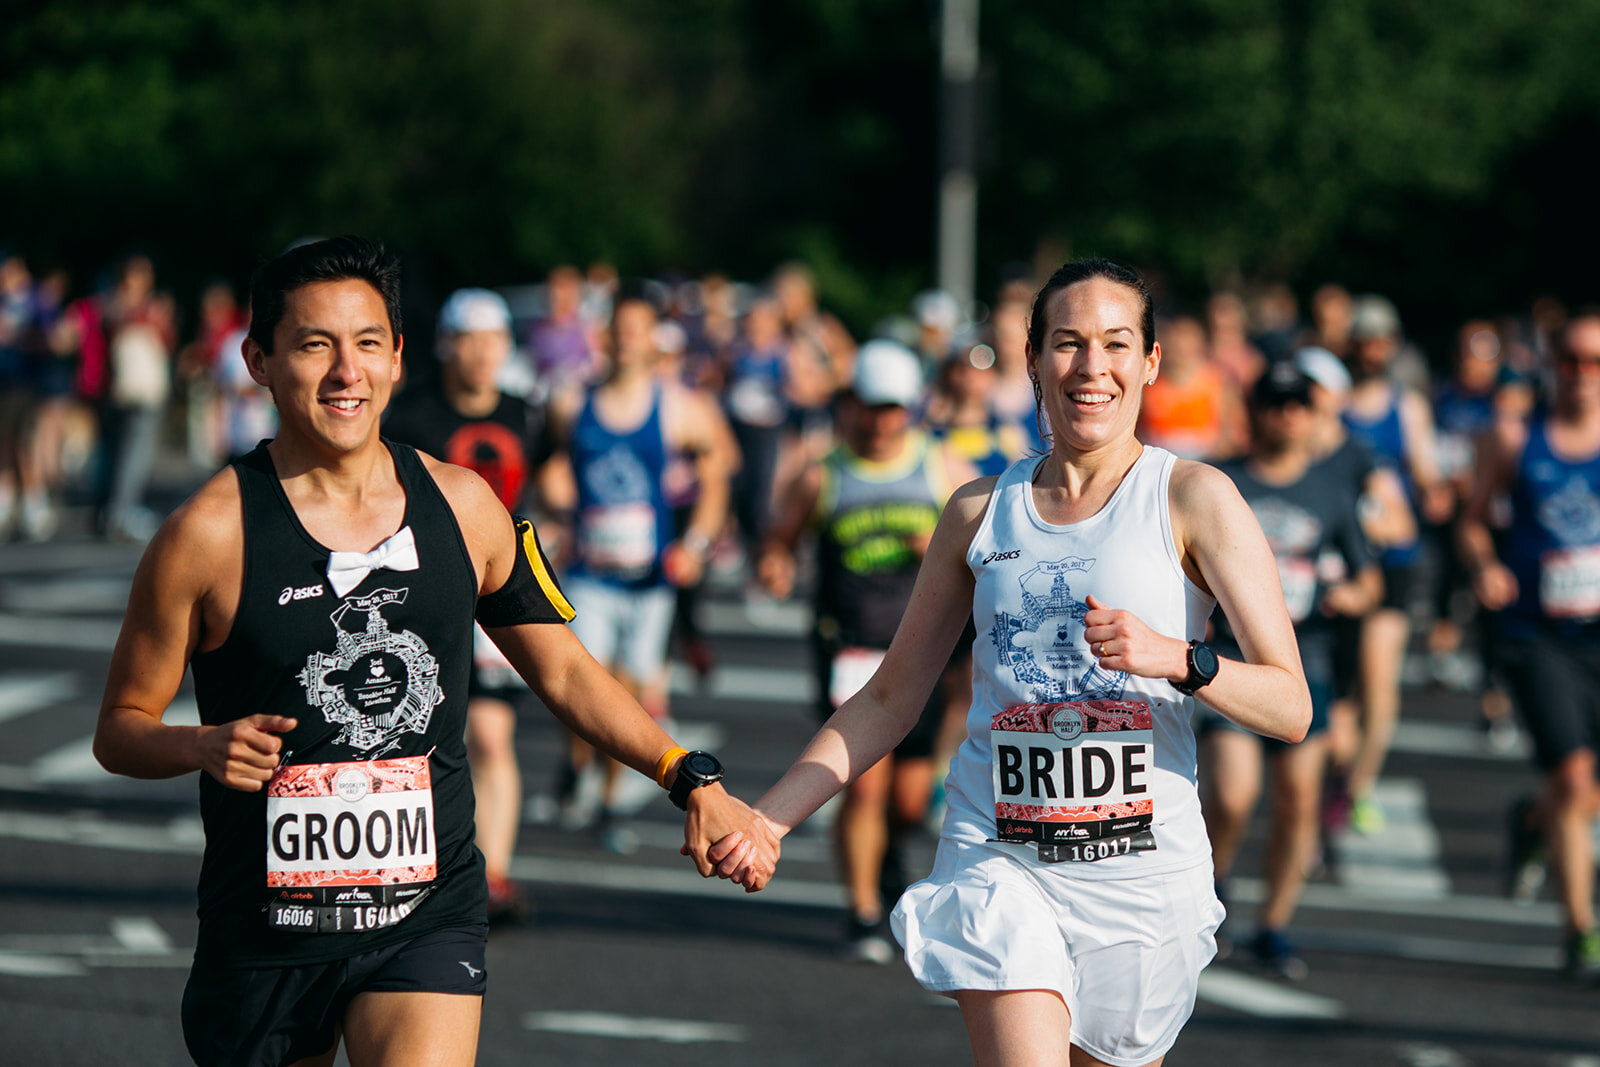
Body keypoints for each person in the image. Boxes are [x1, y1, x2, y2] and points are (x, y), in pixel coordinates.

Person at [91, 237, 770, 1067]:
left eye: (368, 343)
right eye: (315, 345)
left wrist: (685, 774)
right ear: (258, 361)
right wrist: (198, 743)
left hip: (428, 910)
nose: (348, 371)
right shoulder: (206, 534)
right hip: (269, 929)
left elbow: (561, 666)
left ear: (399, 357)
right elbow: (119, 727)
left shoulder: (465, 505)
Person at [714, 259, 1310, 1066]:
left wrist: (1181, 659)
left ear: (1151, 363)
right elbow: (890, 693)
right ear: (1031, 360)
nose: (1091, 368)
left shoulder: (1194, 498)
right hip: (1000, 853)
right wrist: (770, 815)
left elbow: (1291, 704)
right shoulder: (975, 512)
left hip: (1140, 876)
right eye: (1067, 343)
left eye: (1115, 344)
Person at [758, 339, 974, 963]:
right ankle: (860, 910)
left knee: (909, 800)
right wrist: (773, 566)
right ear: (851, 405)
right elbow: (779, 541)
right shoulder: (822, 473)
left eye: (893, 408)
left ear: (911, 408)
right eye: (870, 407)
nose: (881, 421)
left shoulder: (942, 468)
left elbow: (988, 549)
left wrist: (936, 544)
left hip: (924, 652)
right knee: (863, 788)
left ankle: (884, 859)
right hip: (849, 647)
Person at [1199, 361, 1381, 980]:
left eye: (1296, 404)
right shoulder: (1223, 483)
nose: (1285, 415)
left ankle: (1274, 925)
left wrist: (1346, 596)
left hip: (1311, 662)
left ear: (1312, 414)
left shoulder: (1330, 490)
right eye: (1273, 404)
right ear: (1254, 412)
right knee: (1231, 792)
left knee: (1299, 802)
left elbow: (1368, 578)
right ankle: (1212, 887)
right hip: (1230, 660)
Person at [382, 287, 550, 923]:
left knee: (492, 732)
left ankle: (493, 874)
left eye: (493, 340)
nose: (482, 354)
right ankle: (418, 863)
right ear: (447, 345)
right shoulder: (411, 414)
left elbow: (550, 477)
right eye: (470, 340)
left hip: (499, 585)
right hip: (422, 591)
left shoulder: (526, 412)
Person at [545, 287, 733, 852]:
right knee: (583, 691)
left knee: (626, 696)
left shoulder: (678, 406)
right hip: (589, 574)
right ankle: (578, 763)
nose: (626, 340)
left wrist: (696, 544)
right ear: (604, 337)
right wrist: (556, 510)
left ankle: (605, 802)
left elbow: (717, 475)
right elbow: (549, 469)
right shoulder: (570, 403)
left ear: (653, 339)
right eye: (617, 329)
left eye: (636, 330)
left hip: (650, 580)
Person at [1458, 311, 1600, 986]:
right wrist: (1485, 564)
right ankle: (1581, 929)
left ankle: (1533, 821)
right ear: (1553, 363)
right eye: (1572, 359)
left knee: (1584, 791)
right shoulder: (1516, 438)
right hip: (1538, 634)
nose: (1582, 374)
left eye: (1595, 362)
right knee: (1574, 776)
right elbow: (1475, 523)